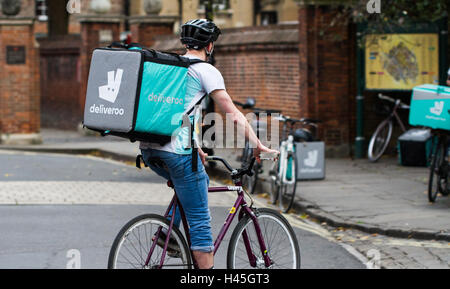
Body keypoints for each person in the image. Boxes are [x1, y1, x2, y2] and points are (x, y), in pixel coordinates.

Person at [139, 19, 279, 269]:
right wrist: (258, 145)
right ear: (210, 45)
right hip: (177, 153)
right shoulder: (206, 70)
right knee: (200, 220)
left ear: (185, 43)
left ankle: (168, 234)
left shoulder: (173, 68)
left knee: (195, 183)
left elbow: (179, 111)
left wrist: (198, 147)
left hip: (149, 149)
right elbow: (233, 113)